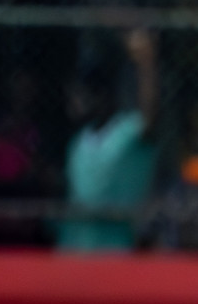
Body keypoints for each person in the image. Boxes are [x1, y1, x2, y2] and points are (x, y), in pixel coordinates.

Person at [58, 29, 160, 252]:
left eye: (82, 94)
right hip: (74, 251)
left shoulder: (127, 133)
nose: (75, 101)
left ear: (101, 95)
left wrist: (146, 62)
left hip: (116, 251)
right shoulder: (77, 143)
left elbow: (149, 116)